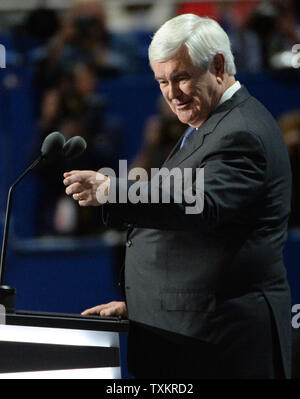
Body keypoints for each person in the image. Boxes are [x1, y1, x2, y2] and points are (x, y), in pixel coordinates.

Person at [63, 14, 292, 378]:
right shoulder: (210, 126)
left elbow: (200, 203)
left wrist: (113, 190)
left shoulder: (240, 132)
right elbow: (197, 247)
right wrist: (141, 305)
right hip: (192, 332)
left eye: (182, 77)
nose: (172, 93)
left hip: (222, 347)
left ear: (218, 65)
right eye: (162, 81)